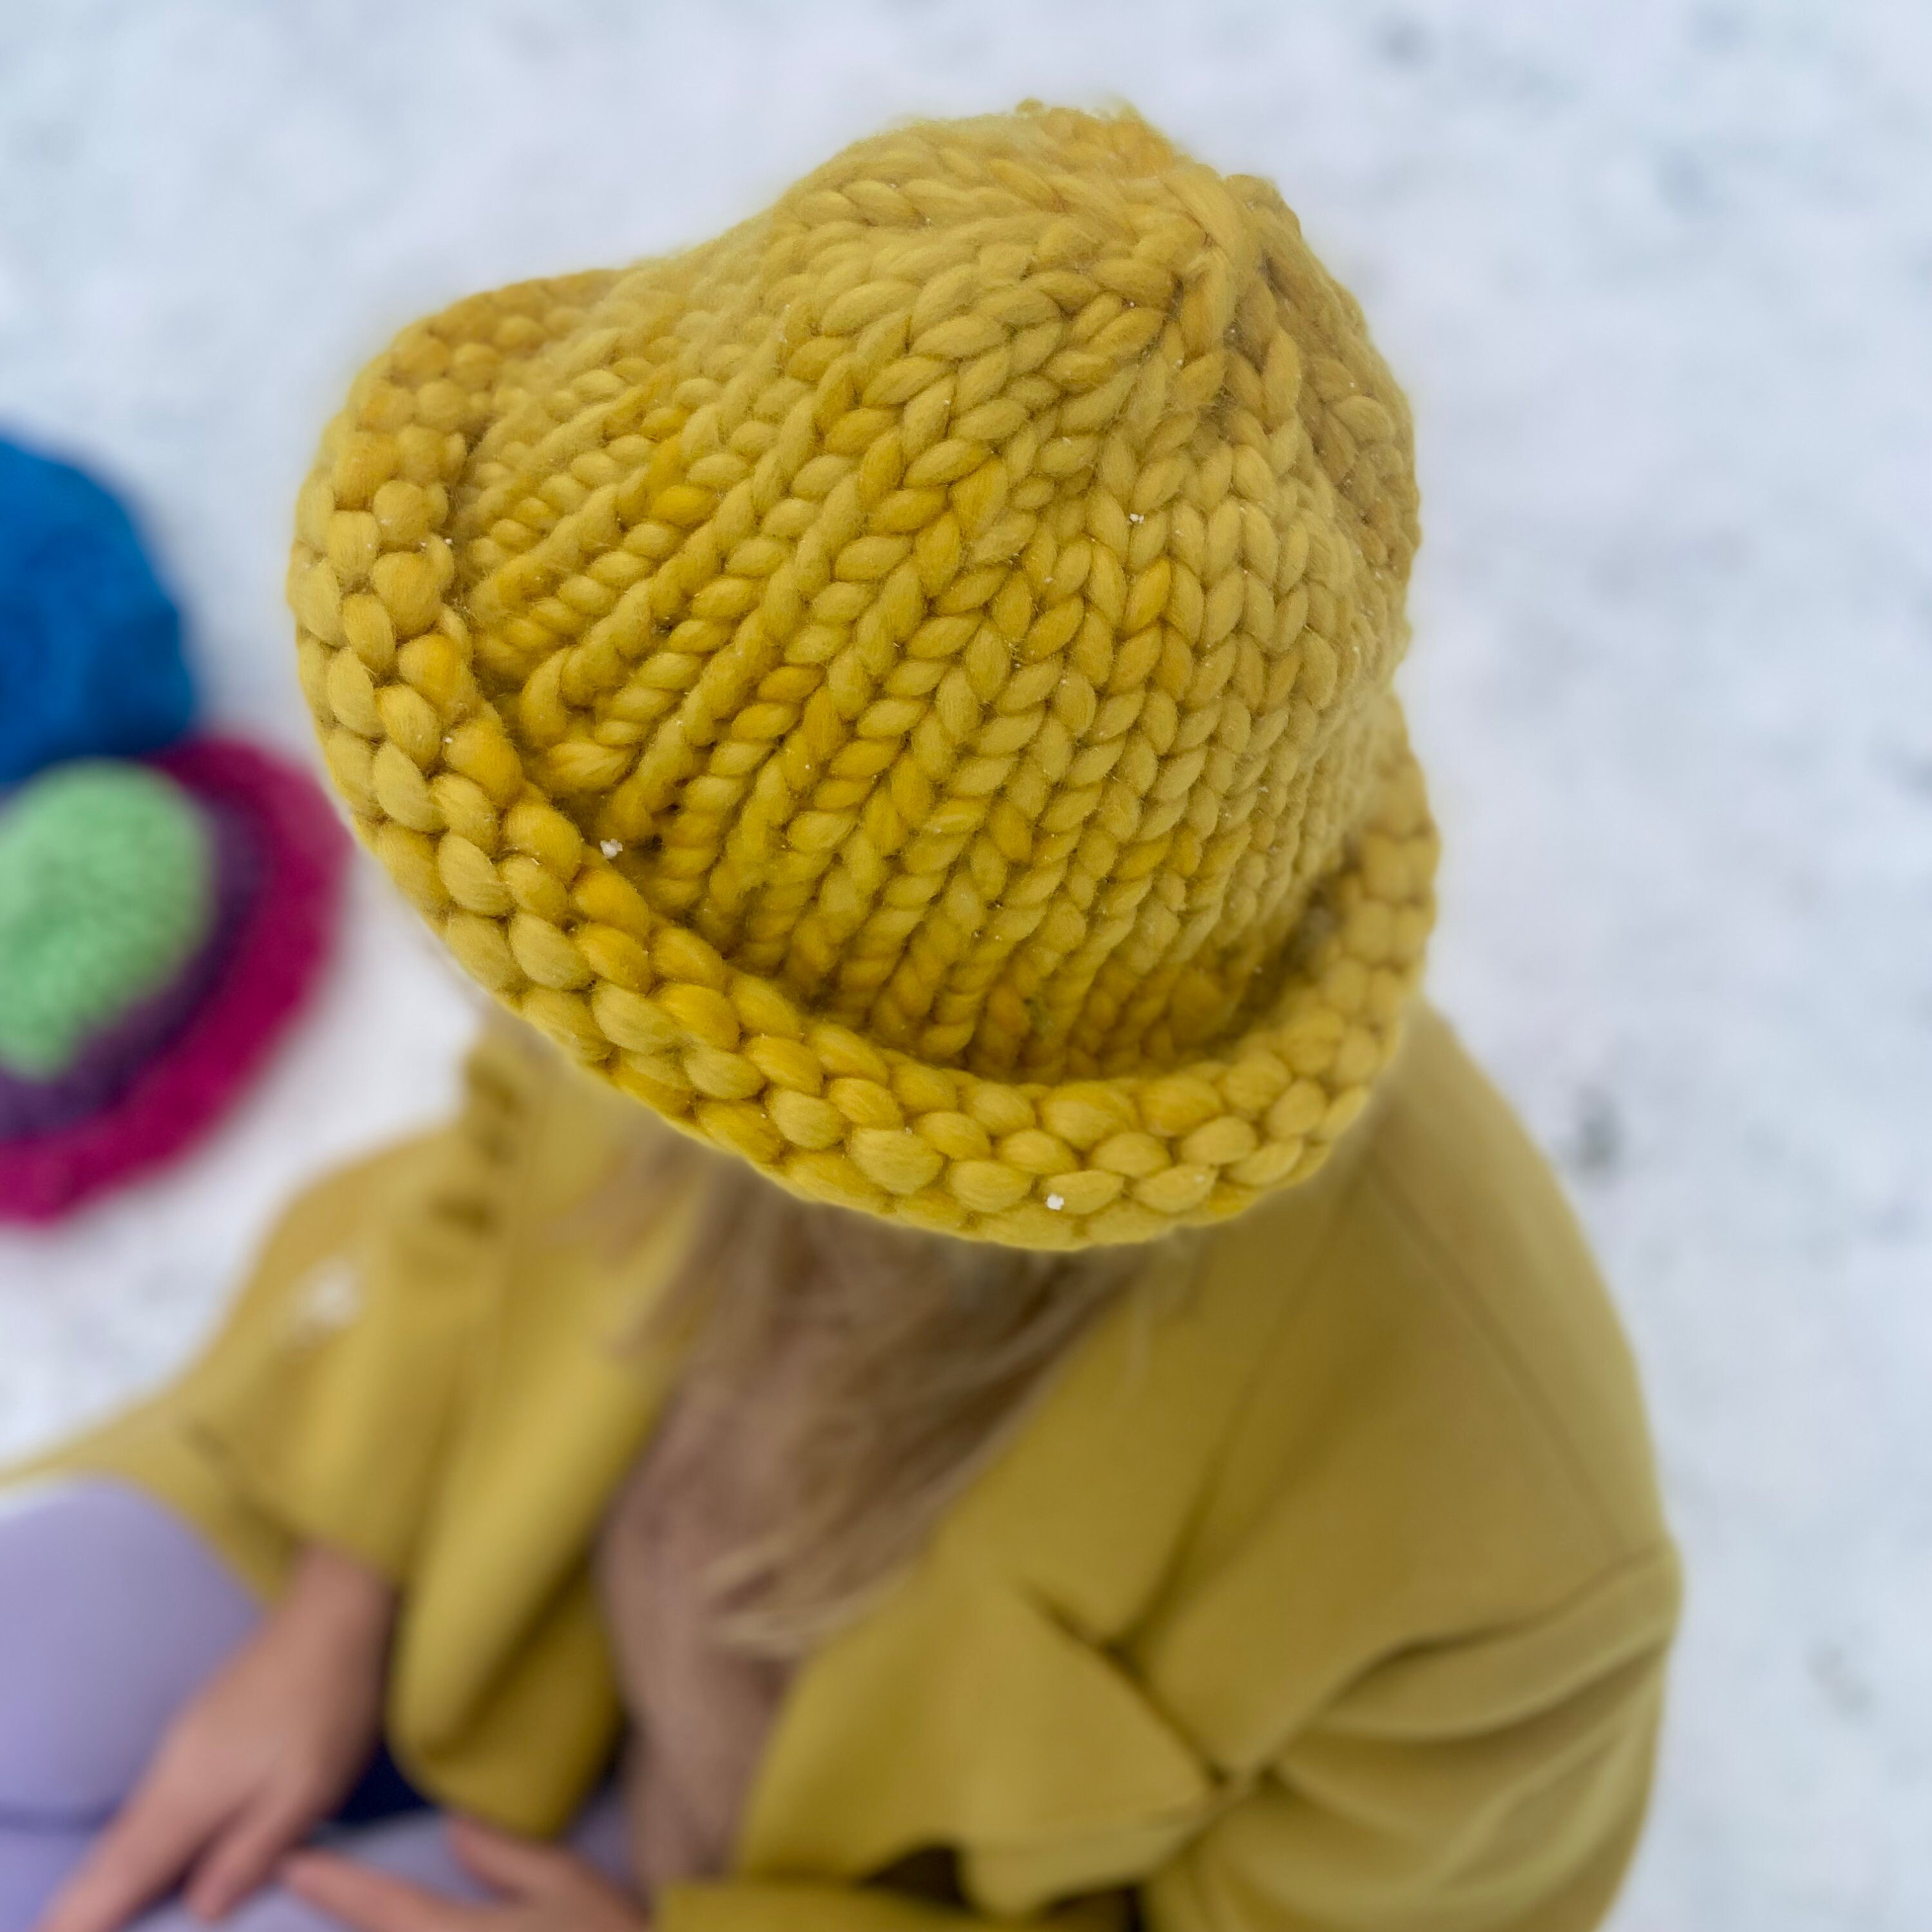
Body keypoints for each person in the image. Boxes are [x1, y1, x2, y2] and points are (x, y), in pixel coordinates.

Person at [0, 104, 1680, 1932]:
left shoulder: (1494, 1548)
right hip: (443, 1503)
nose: (540, 1001)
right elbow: (496, 1162)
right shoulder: (639, 843)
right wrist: (337, 1587)